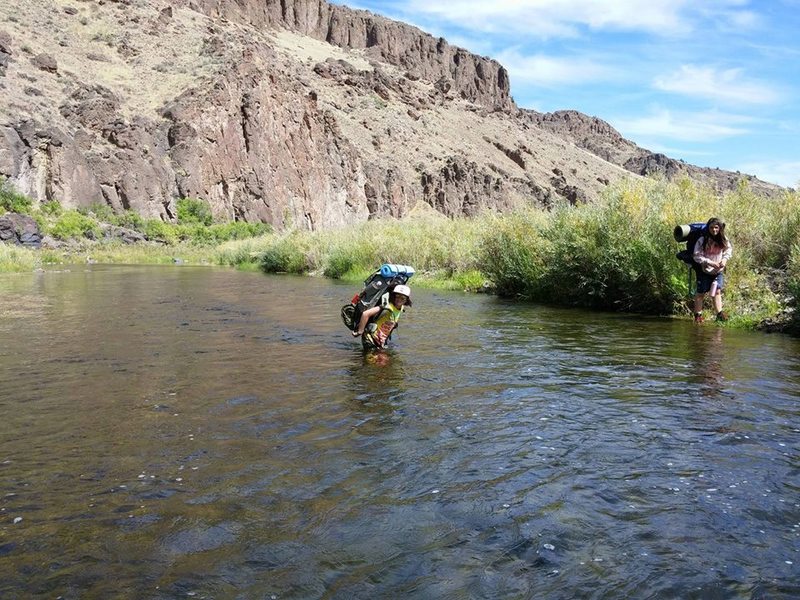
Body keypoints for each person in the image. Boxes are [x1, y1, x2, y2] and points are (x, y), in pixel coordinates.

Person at [692, 217, 732, 323]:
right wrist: (710, 263)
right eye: (711, 228)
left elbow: (728, 250)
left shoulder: (723, 239)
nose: (714, 230)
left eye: (716, 227)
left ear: (720, 228)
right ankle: (698, 316)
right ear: (708, 228)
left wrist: (724, 260)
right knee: (701, 293)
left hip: (718, 271)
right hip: (704, 271)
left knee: (717, 291)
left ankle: (719, 315)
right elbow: (696, 256)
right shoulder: (702, 240)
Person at [352, 284, 412, 350]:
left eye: (402, 298)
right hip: (370, 338)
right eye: (397, 297)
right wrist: (360, 331)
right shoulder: (387, 307)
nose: (399, 300)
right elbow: (365, 314)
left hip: (381, 340)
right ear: (393, 296)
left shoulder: (401, 308)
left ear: (406, 300)